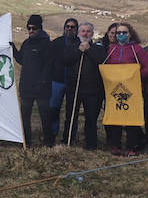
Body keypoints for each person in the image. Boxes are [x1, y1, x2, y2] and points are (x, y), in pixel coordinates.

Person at [102, 22, 148, 156]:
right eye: (118, 33)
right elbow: (108, 66)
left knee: (131, 118)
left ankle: (132, 146)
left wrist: (136, 77)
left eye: (124, 32)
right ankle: (116, 145)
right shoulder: (112, 49)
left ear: (130, 34)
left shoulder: (136, 49)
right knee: (116, 116)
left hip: (133, 90)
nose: (121, 35)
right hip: (116, 89)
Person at [61, 21, 106, 149]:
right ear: (78, 33)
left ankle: (91, 144)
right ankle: (68, 140)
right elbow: (65, 60)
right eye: (83, 31)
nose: (85, 33)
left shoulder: (98, 48)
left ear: (92, 33)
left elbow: (101, 61)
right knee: (71, 116)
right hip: (74, 88)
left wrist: (89, 50)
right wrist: (79, 51)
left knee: (91, 118)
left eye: (88, 31)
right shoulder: (72, 46)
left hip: (92, 90)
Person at [12, 15, 54, 147]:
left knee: (45, 116)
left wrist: (42, 83)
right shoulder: (26, 43)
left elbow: (49, 66)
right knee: (25, 116)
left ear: (40, 28)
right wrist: (12, 49)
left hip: (42, 89)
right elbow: (21, 60)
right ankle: (26, 141)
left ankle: (48, 142)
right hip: (26, 87)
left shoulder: (47, 44)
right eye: (28, 28)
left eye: (34, 28)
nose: (31, 31)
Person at [46, 18, 79, 142]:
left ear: (76, 29)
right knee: (53, 109)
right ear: (64, 28)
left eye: (72, 27)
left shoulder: (79, 44)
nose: (69, 29)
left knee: (71, 112)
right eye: (67, 26)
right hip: (57, 81)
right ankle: (52, 135)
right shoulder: (56, 43)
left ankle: (69, 137)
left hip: (73, 82)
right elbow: (49, 62)